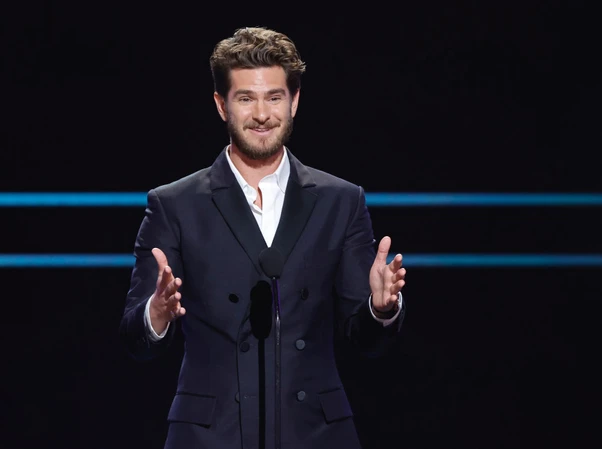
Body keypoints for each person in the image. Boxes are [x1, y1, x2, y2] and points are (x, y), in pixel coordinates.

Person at [120, 26, 407, 449]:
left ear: (294, 101)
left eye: (274, 97)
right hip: (210, 435)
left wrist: (380, 309)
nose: (261, 114)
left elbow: (362, 338)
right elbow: (134, 337)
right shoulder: (174, 204)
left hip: (315, 432)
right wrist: (157, 314)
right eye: (245, 98)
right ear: (221, 105)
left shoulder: (340, 201)